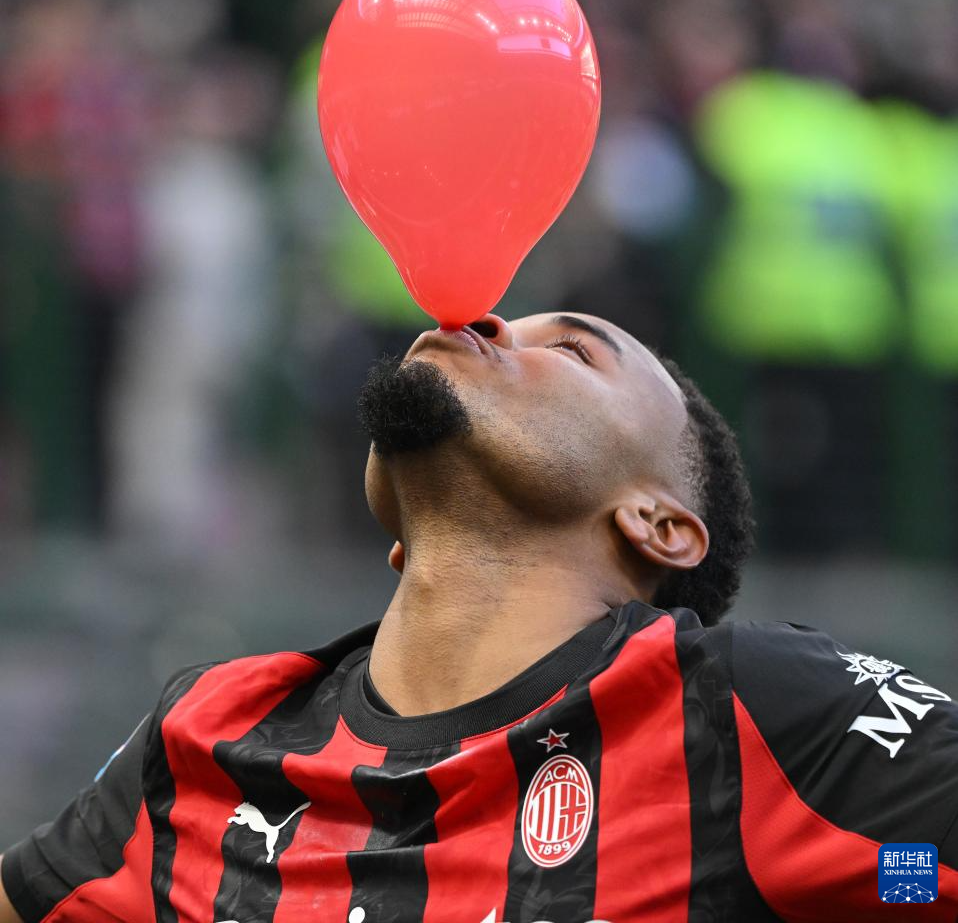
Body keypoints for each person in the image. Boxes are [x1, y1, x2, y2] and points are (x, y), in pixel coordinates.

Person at [1, 312, 956, 923]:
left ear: (658, 524)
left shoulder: (743, 713)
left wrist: (880, 885)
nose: (481, 319)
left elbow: (913, 872)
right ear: (399, 540)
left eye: (571, 348)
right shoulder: (207, 730)